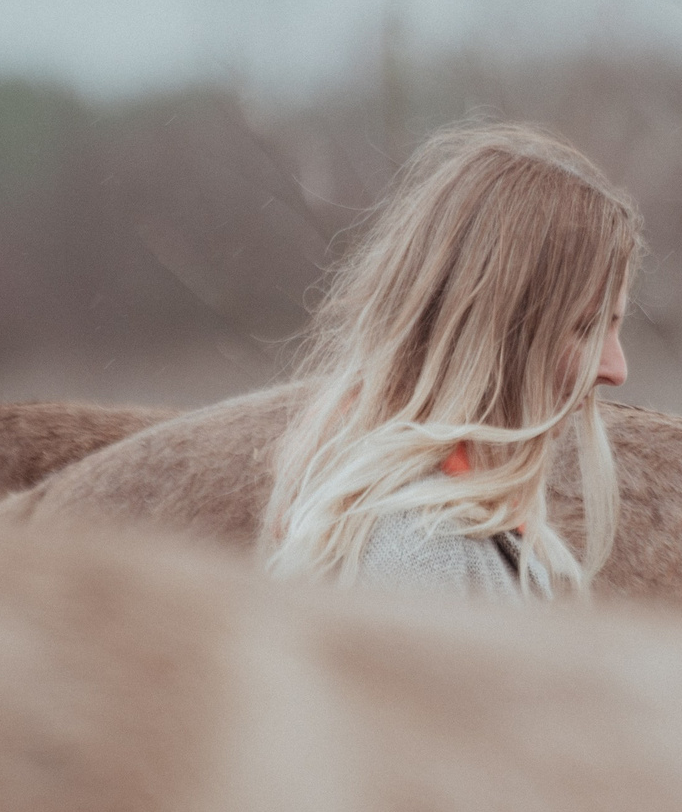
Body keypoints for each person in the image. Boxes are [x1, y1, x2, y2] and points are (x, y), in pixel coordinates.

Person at [260, 123, 641, 601]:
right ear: (495, 335)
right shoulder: (419, 556)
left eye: (616, 326)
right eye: (585, 328)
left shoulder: (468, 530)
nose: (617, 369)